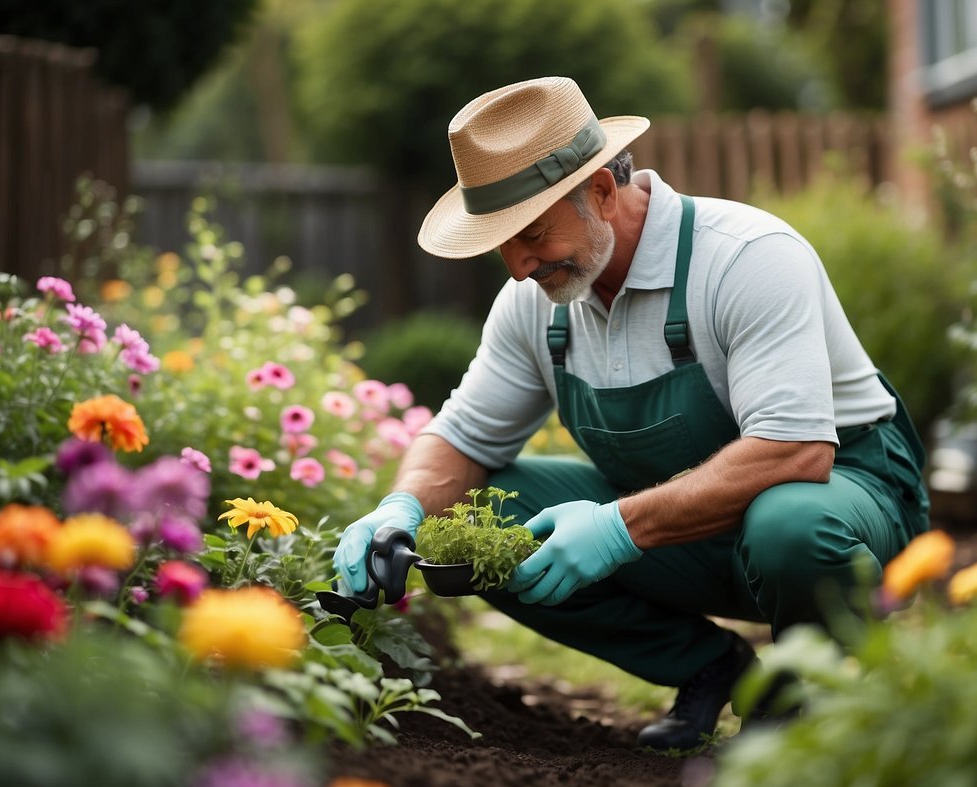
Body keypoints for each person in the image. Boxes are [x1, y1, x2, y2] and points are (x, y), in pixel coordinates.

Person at [334, 76, 930, 750]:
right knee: (477, 517)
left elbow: (794, 453)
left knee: (786, 523)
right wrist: (401, 509)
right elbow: (463, 435)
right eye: (498, 243)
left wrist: (616, 529)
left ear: (600, 190)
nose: (518, 265)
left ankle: (800, 705)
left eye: (529, 233)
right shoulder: (535, 302)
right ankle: (709, 668)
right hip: (688, 527)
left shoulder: (744, 258)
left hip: (842, 507)